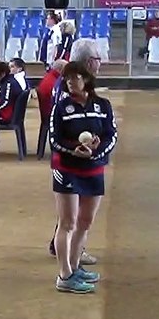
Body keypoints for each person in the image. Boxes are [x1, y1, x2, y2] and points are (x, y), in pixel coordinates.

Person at [47, 62, 117, 295]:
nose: (70, 82)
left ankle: (75, 267)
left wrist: (96, 151)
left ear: (86, 80)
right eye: (67, 79)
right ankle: (64, 275)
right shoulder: (60, 107)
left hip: (94, 168)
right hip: (67, 169)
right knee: (68, 223)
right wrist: (74, 149)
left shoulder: (103, 105)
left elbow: (111, 135)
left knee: (85, 221)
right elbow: (54, 140)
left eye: (75, 78)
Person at [46, 39, 104, 268]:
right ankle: (69, 261)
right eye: (98, 59)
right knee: (72, 215)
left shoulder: (76, 84)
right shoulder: (68, 89)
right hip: (68, 161)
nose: (101, 64)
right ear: (90, 62)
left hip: (76, 158)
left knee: (72, 213)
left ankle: (64, 247)